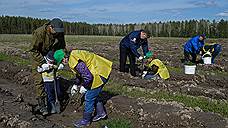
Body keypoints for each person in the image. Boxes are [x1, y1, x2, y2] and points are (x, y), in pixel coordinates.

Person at [53, 49, 112, 127]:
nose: (62, 64)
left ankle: (86, 121)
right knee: (94, 94)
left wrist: (84, 86)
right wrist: (76, 84)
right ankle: (101, 113)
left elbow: (88, 77)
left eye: (61, 61)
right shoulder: (73, 55)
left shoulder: (73, 61)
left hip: (99, 73)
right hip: (103, 69)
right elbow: (80, 73)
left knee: (89, 97)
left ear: (64, 58)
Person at [29, 18, 66, 115]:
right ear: (50, 27)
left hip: (51, 55)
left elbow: (62, 47)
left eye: (59, 32)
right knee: (39, 80)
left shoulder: (59, 32)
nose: (57, 34)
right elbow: (33, 50)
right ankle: (42, 105)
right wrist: (43, 62)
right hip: (38, 56)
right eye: (56, 31)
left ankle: (53, 100)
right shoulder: (39, 33)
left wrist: (63, 57)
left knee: (53, 76)